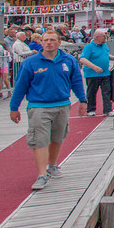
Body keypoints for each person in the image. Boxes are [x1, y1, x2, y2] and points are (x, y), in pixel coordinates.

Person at [9, 30, 88, 191]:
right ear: (41, 42)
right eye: (45, 40)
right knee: (40, 139)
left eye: (52, 40)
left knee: (58, 137)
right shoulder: (31, 63)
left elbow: (77, 81)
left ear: (59, 42)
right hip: (39, 106)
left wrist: (82, 100)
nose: (49, 43)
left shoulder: (69, 60)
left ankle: (52, 165)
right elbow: (20, 86)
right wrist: (14, 107)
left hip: (62, 104)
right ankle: (41, 174)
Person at [78, 29, 114, 116]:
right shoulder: (89, 47)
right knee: (92, 92)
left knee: (107, 92)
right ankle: (91, 109)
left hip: (105, 73)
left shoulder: (105, 45)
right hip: (92, 74)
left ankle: (108, 110)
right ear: (97, 37)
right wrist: (94, 67)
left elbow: (105, 54)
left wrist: (113, 57)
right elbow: (82, 59)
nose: (105, 38)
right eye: (103, 36)